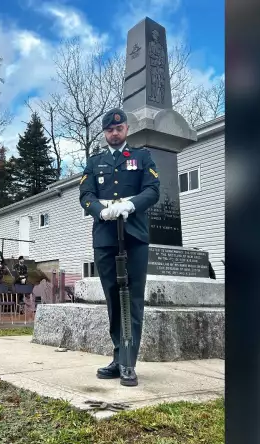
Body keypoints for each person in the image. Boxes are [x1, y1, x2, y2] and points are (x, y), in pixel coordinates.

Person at [79, 108, 160, 387]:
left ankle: (128, 362)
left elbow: (153, 190)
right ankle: (118, 356)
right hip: (105, 236)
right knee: (113, 297)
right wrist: (99, 210)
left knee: (132, 298)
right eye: (110, 130)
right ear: (104, 133)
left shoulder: (142, 157)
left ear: (126, 129)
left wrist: (130, 205)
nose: (115, 133)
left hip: (134, 234)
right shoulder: (95, 162)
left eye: (119, 128)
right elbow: (85, 194)